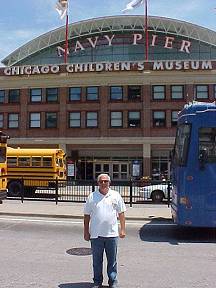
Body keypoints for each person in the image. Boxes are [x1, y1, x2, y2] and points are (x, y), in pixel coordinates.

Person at [84, 173, 126, 288]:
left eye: (105, 181)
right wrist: (86, 232)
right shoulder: (92, 197)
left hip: (112, 234)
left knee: (112, 261)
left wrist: (122, 229)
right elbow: (86, 215)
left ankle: (112, 281)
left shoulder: (115, 195)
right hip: (96, 235)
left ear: (109, 182)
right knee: (97, 261)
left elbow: (121, 213)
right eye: (101, 181)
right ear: (98, 183)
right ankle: (97, 281)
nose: (103, 183)